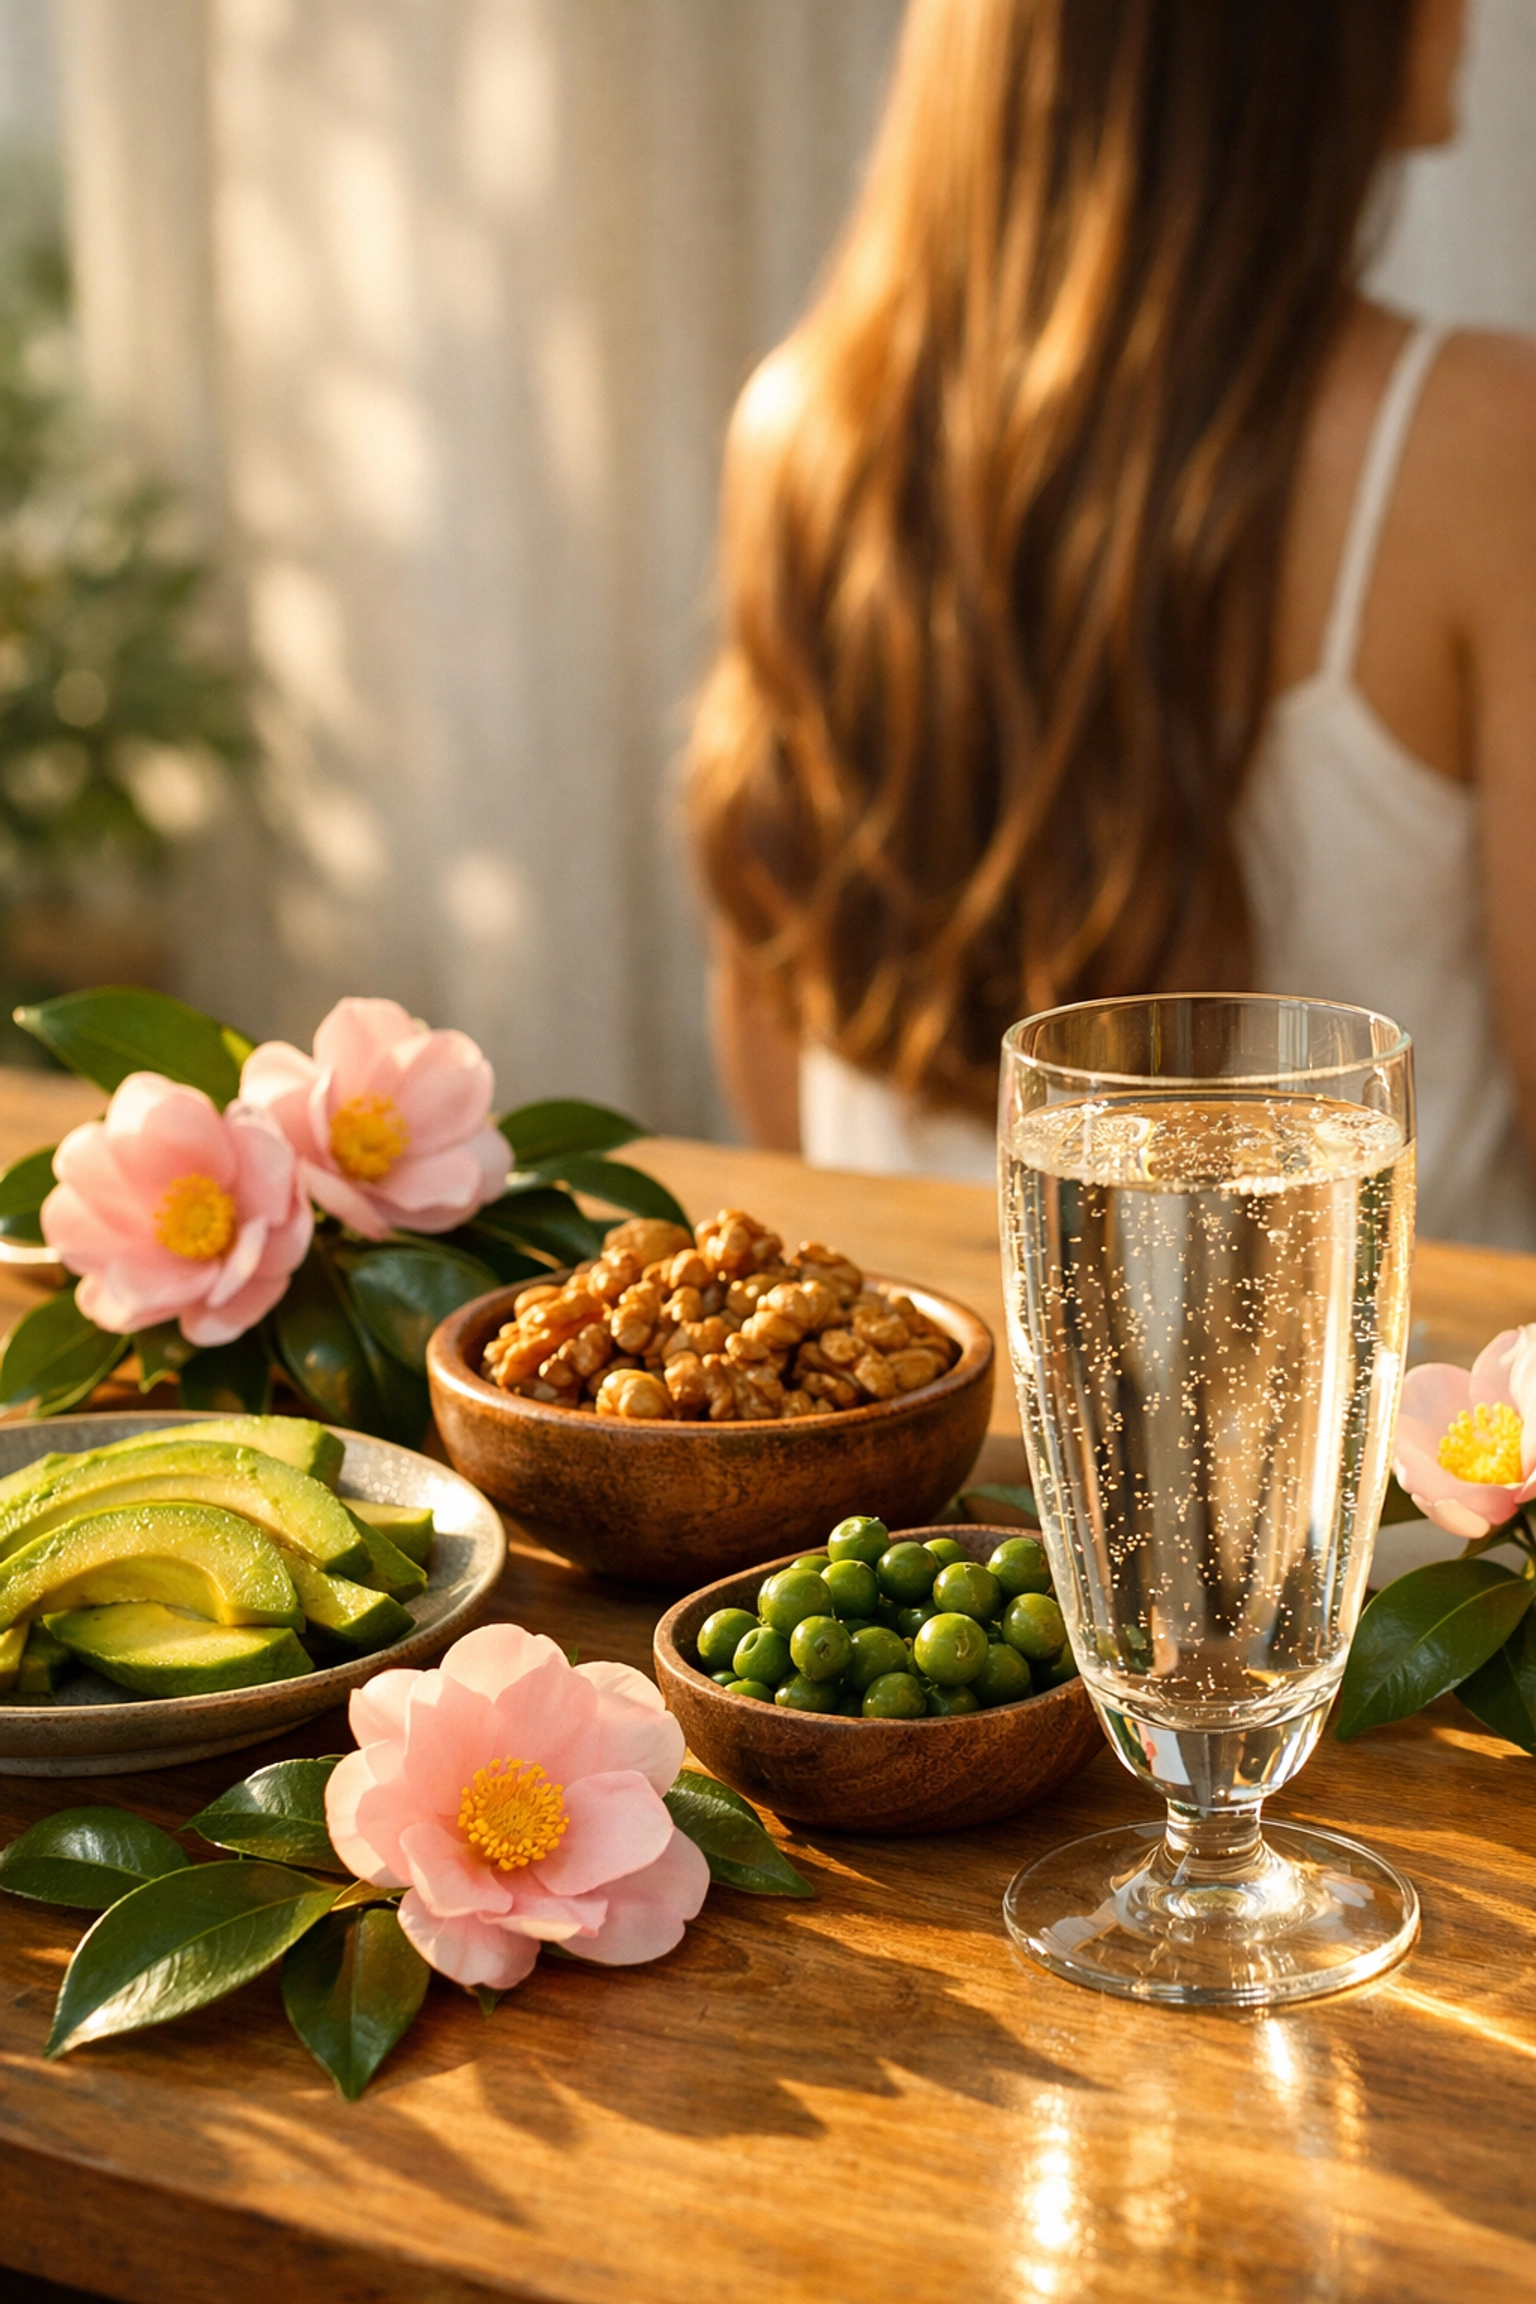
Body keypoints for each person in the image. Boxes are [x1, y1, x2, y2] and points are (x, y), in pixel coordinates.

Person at [687, 0, 1536, 1249]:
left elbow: (780, 1051)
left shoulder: (806, 428)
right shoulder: (1477, 441)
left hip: (928, 1406)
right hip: (1382, 1428)